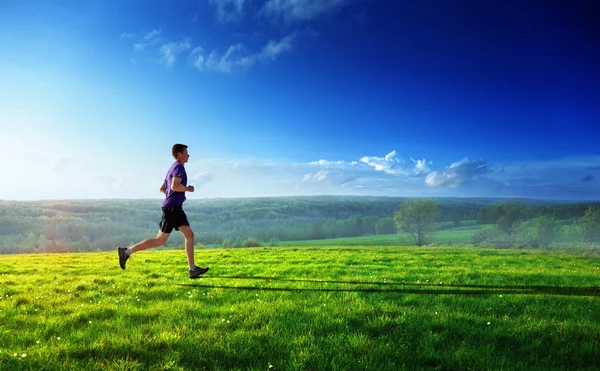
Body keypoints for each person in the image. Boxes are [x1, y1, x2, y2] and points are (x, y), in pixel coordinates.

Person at [118, 144, 209, 279]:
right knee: (160, 240)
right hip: (171, 209)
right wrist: (188, 189)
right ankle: (126, 252)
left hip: (176, 208)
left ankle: (192, 269)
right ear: (179, 154)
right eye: (186, 153)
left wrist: (172, 196)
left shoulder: (172, 168)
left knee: (189, 235)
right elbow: (175, 186)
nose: (188, 155)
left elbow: (163, 188)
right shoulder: (178, 167)